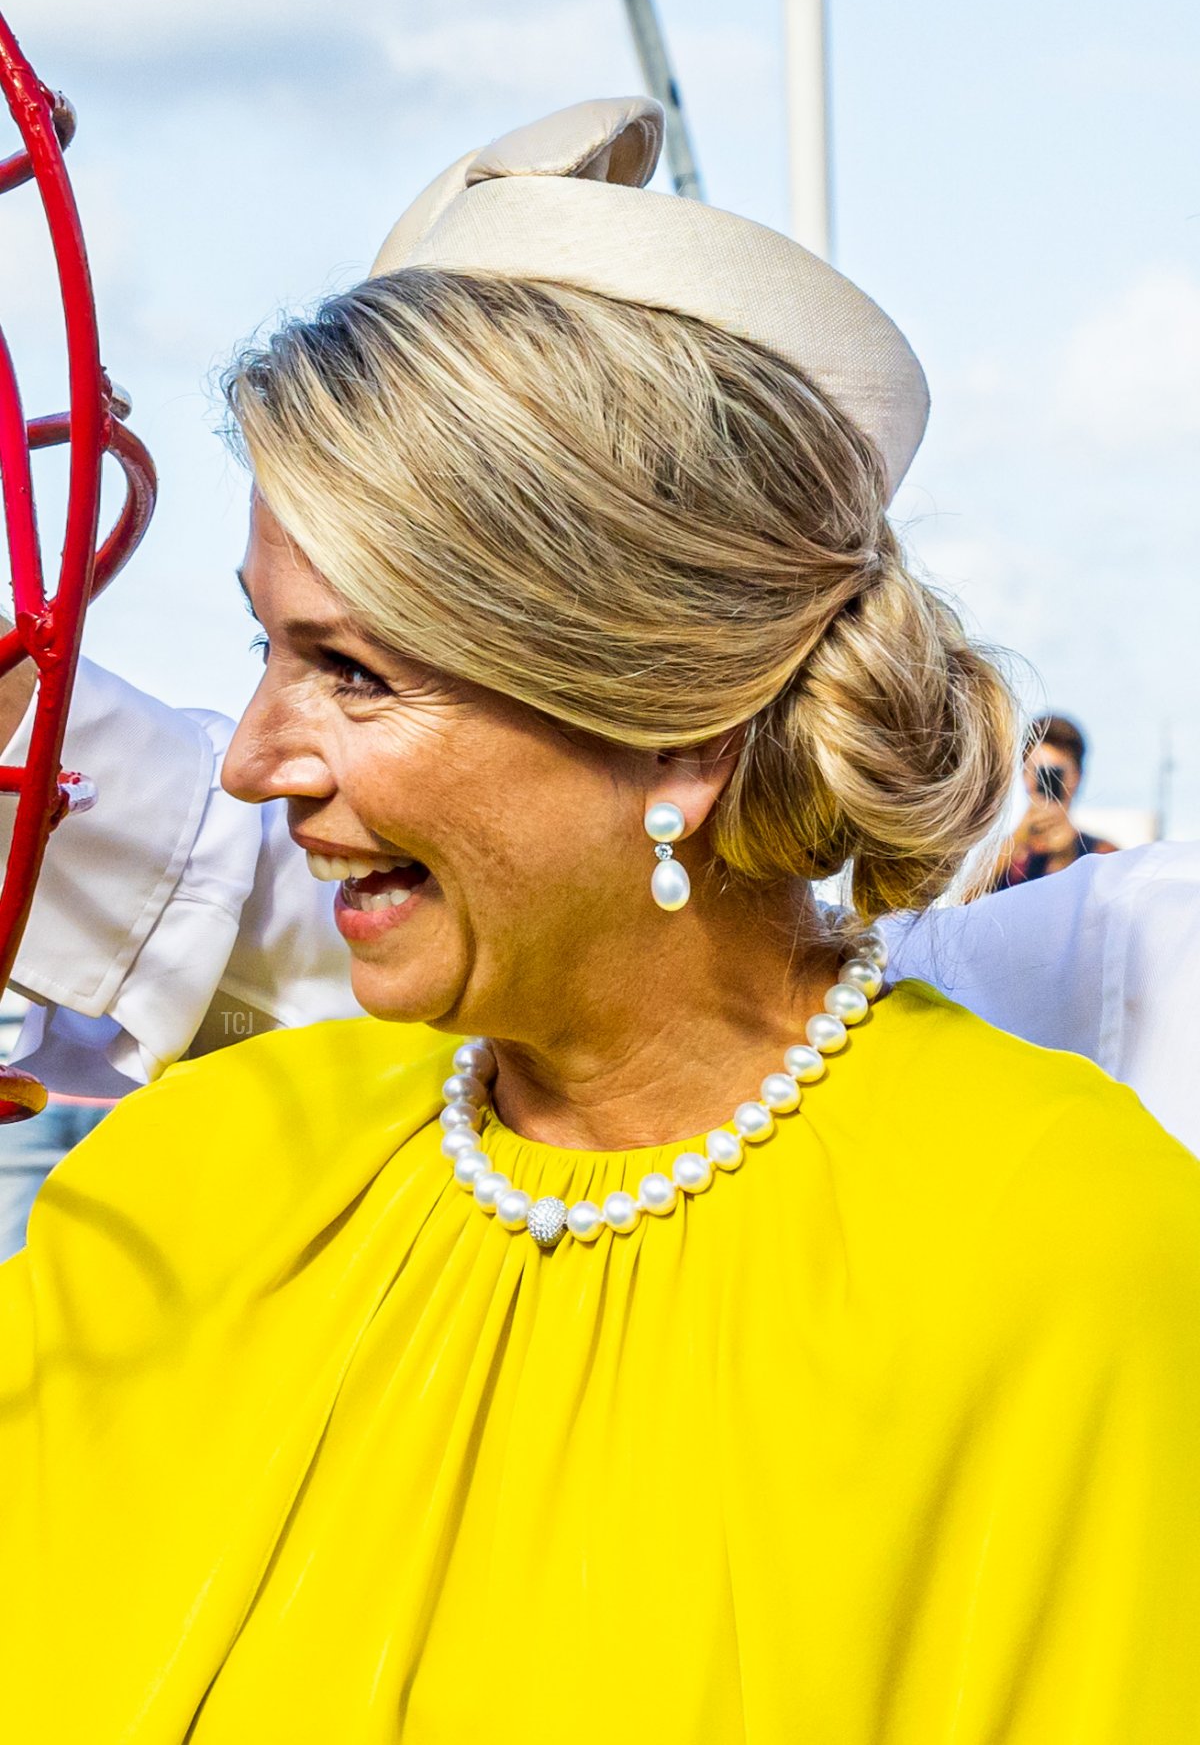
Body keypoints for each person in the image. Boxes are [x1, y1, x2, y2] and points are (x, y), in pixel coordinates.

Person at [1, 99, 1199, 1741]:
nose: (255, 757)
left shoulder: (1062, 1246)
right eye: (266, 649)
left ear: (674, 729)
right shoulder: (173, 1186)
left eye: (351, 670)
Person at [989, 712, 1117, 891]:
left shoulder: (1102, 855)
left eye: (1054, 773)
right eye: (1039, 771)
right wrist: (1015, 843)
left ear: (1076, 777)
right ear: (1024, 775)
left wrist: (1067, 854)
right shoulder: (1002, 857)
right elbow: (963, 901)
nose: (1046, 782)